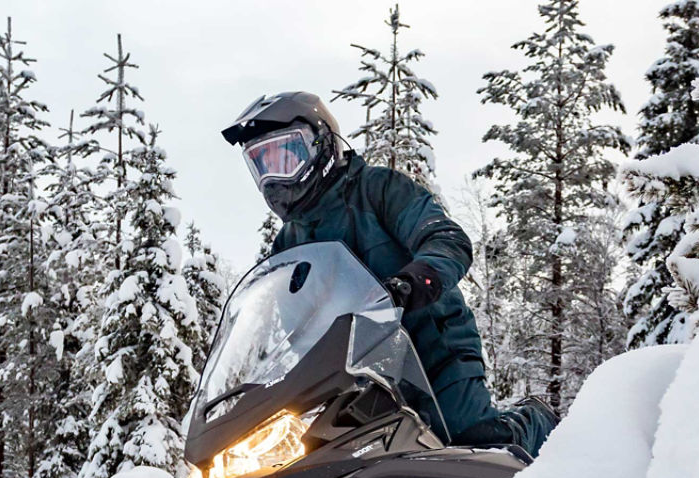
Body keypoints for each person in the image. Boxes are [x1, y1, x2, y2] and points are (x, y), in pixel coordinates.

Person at [222, 91, 558, 457]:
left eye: (286, 156)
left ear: (321, 145)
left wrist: (413, 281)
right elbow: (290, 324)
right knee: (325, 464)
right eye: (261, 164)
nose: (273, 177)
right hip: (360, 375)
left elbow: (446, 237)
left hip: (433, 347)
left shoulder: (379, 189)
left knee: (469, 439)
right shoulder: (288, 243)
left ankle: (538, 427)